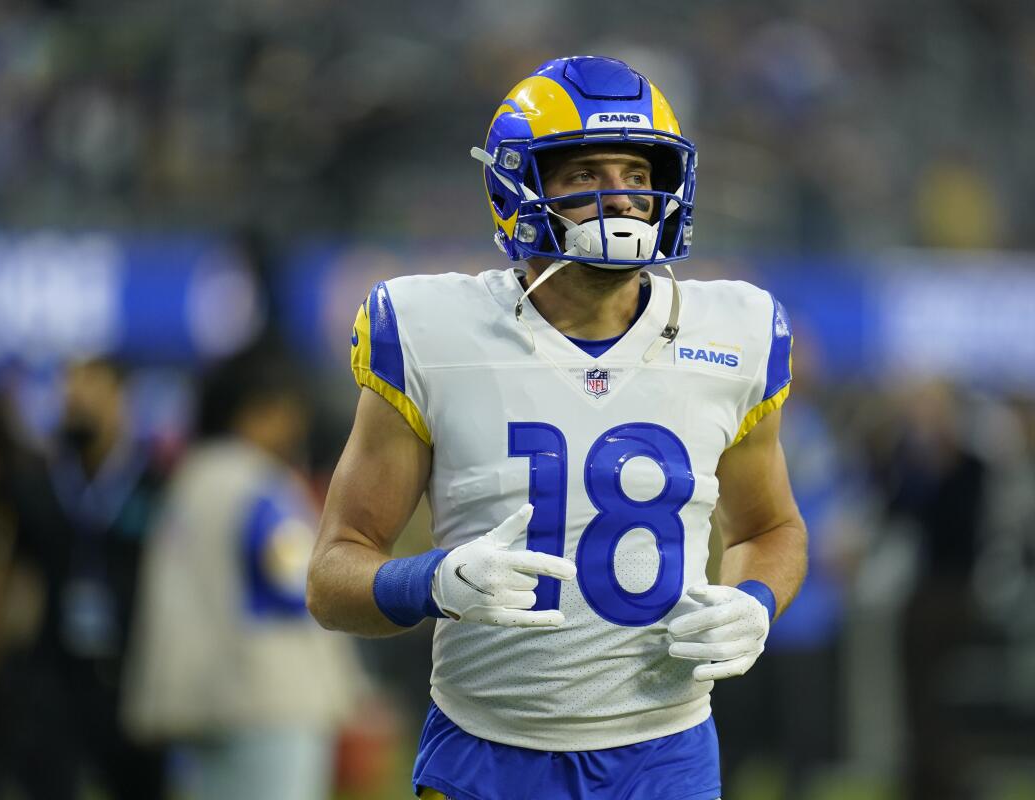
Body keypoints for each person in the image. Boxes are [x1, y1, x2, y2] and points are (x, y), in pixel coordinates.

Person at [307, 55, 808, 800]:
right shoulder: (431, 329)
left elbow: (770, 531)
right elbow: (331, 576)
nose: (621, 199)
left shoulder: (732, 331)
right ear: (519, 185)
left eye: (637, 174)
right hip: (486, 749)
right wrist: (433, 583)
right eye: (584, 176)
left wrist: (754, 603)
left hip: (663, 753)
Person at [123, 349, 358, 800]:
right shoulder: (258, 483)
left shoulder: (187, 480)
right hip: (269, 701)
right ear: (255, 410)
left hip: (195, 704)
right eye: (286, 411)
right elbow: (305, 586)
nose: (295, 426)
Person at [0, 359, 167, 800]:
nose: (78, 405)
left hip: (135, 669)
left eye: (92, 393)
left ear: (121, 402)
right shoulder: (38, 484)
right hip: (53, 670)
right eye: (71, 395)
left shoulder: (156, 485)